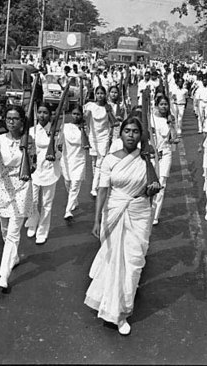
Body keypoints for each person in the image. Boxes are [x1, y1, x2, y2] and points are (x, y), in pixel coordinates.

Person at [85, 117, 162, 335]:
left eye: (135, 131)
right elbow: (102, 190)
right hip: (115, 210)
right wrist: (97, 219)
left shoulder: (146, 159)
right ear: (121, 134)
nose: (131, 135)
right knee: (115, 262)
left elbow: (150, 188)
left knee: (135, 262)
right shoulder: (110, 160)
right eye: (127, 131)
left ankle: (124, 299)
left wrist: (153, 189)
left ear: (141, 135)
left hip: (139, 212)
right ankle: (117, 312)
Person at [0, 105, 36, 290]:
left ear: (21, 121)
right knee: (4, 229)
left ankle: (4, 275)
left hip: (22, 188)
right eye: (8, 118)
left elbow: (33, 165)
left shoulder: (29, 140)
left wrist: (29, 163)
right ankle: (14, 257)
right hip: (3, 188)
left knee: (13, 233)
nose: (11, 122)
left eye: (15, 119)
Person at [24, 102, 61, 244]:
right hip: (35, 171)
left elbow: (60, 152)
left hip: (50, 171)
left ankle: (42, 230)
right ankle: (33, 222)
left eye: (45, 112)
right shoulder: (32, 131)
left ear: (50, 115)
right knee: (32, 200)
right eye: (39, 112)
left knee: (47, 203)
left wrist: (55, 153)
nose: (42, 115)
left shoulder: (56, 131)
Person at [60, 105, 88, 219]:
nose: (76, 116)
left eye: (78, 114)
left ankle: (68, 211)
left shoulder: (85, 128)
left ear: (82, 115)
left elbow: (86, 144)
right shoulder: (65, 126)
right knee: (68, 183)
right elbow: (59, 141)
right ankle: (74, 201)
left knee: (75, 184)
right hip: (67, 159)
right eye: (74, 114)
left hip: (79, 160)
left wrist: (82, 129)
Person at [151, 95, 175, 225]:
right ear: (156, 105)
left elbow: (174, 139)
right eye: (161, 104)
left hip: (165, 153)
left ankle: (155, 215)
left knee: (161, 184)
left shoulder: (170, 119)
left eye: (166, 104)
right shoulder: (151, 118)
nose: (164, 106)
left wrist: (172, 124)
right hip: (151, 155)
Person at [84, 85, 111, 196]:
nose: (100, 95)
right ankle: (98, 181)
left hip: (104, 137)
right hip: (93, 137)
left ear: (105, 95)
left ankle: (94, 187)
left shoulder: (108, 107)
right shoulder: (90, 106)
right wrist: (85, 113)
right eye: (98, 93)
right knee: (95, 162)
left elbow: (111, 121)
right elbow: (85, 118)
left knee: (100, 162)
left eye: (102, 93)